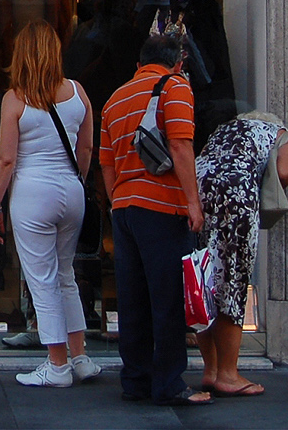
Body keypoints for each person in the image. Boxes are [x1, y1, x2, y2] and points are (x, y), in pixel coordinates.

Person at [99, 34, 211, 406]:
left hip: (126, 210)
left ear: (138, 64)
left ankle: (136, 380)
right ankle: (170, 384)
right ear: (178, 63)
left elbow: (106, 162)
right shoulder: (174, 87)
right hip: (162, 208)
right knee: (167, 298)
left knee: (133, 298)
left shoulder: (115, 99)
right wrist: (193, 204)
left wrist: (119, 203)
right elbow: (180, 145)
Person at [0, 20, 101, 387]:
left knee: (42, 280)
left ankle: (56, 366)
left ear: (21, 55)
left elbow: (6, 159)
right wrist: (77, 180)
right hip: (71, 192)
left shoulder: (15, 98)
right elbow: (85, 148)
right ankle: (80, 356)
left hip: (33, 193)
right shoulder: (78, 91)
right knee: (66, 275)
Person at [196, 111, 288, 397]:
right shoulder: (283, 135)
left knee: (206, 278)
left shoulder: (224, 129)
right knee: (233, 278)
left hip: (199, 184)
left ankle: (211, 370)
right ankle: (228, 375)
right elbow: (283, 173)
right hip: (236, 192)